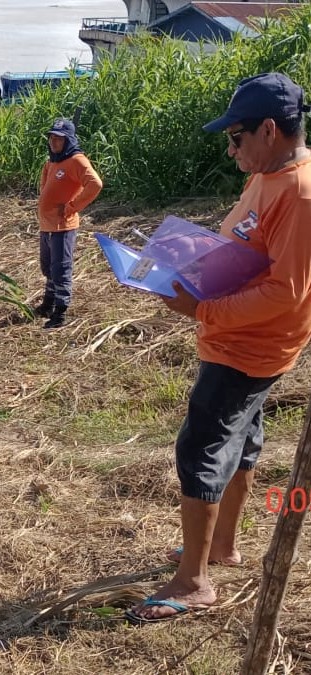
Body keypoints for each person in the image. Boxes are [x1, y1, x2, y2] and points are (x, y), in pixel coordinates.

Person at [127, 72, 311, 624]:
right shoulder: (269, 174)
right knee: (242, 441)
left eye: (235, 138)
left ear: (270, 130)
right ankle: (222, 546)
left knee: (202, 447)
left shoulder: (300, 194)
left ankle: (193, 582)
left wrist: (203, 308)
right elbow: (250, 247)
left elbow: (288, 290)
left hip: (248, 348)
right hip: (237, 338)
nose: (230, 150)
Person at [35, 118, 103, 328]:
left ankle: (60, 312)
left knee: (61, 269)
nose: (54, 142)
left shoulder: (76, 160)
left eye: (60, 139)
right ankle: (48, 302)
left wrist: (73, 206)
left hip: (62, 227)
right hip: (46, 225)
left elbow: (95, 184)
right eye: (52, 138)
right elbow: (45, 187)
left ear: (69, 140)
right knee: (48, 268)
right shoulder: (52, 160)